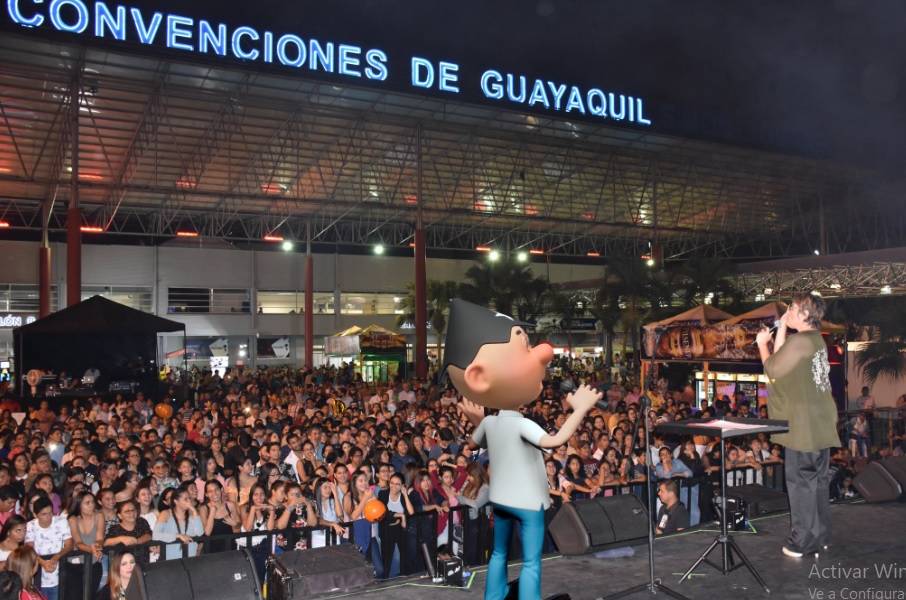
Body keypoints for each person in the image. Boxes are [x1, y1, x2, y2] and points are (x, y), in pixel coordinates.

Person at [446, 299, 601, 600]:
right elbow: (554, 442)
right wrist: (579, 410)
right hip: (528, 502)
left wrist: (479, 419)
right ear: (479, 377)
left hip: (501, 499)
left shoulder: (492, 423)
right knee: (531, 562)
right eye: (525, 347)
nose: (543, 353)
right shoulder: (520, 423)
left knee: (499, 553)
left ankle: (493, 597)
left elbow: (473, 443)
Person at [757, 292, 841, 559]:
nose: (788, 312)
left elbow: (772, 369)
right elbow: (783, 359)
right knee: (816, 482)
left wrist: (762, 343)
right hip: (820, 423)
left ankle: (802, 541)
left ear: (805, 314)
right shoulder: (814, 340)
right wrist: (782, 326)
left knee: (800, 482)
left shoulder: (801, 341)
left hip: (803, 426)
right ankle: (820, 536)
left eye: (792, 309)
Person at [24, 498, 72, 600]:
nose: (48, 517)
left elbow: (69, 544)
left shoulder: (61, 521)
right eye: (44, 514)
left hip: (59, 573)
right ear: (36, 515)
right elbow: (29, 548)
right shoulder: (30, 525)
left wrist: (56, 557)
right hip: (37, 575)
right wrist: (42, 562)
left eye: (50, 513)